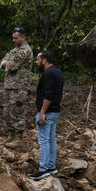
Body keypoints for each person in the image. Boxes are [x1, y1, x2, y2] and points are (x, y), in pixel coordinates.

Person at [31, 50, 63, 181]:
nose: (36, 62)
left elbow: (48, 94)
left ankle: (43, 169)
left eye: (38, 60)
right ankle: (51, 166)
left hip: (47, 112)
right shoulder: (58, 72)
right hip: (55, 111)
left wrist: (42, 112)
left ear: (44, 60)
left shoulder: (48, 74)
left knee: (44, 141)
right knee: (51, 140)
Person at [0, 27, 33, 138]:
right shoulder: (14, 50)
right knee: (7, 112)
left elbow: (12, 66)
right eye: (13, 38)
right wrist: (6, 62)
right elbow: (2, 62)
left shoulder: (25, 51)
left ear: (23, 37)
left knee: (17, 112)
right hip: (9, 85)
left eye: (16, 38)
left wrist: (7, 62)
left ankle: (18, 137)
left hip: (19, 87)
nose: (13, 40)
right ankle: (10, 136)